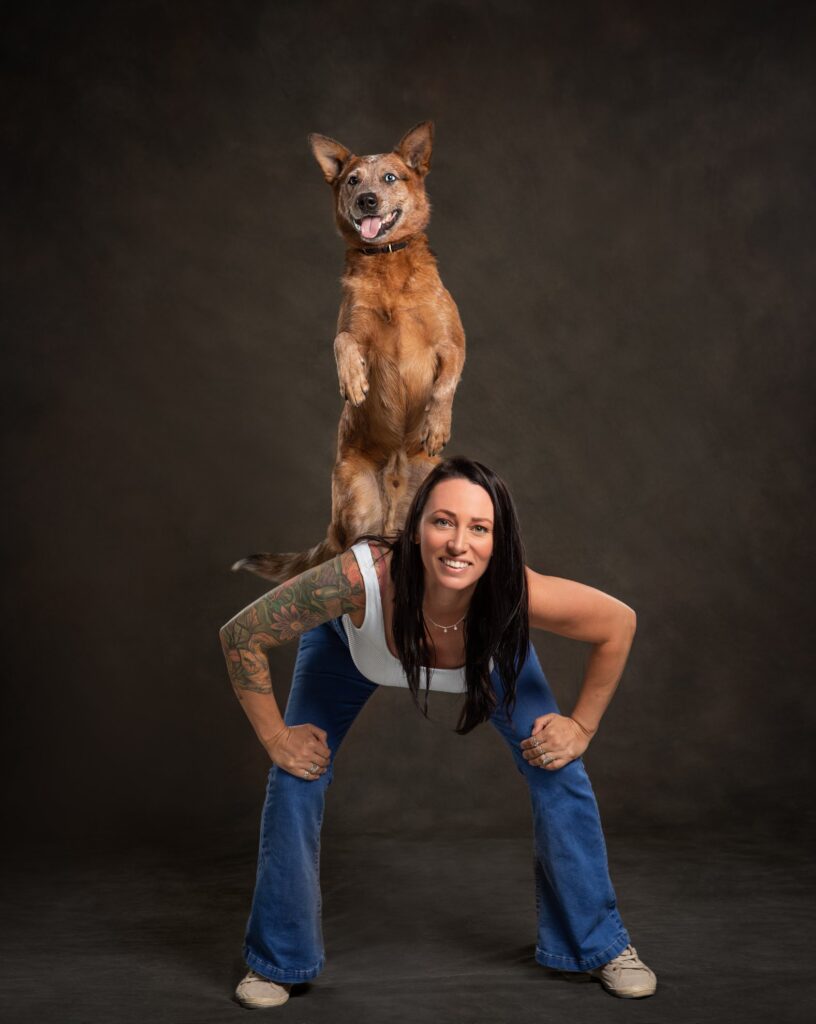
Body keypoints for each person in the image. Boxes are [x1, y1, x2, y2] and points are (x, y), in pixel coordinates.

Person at [219, 456, 657, 1008]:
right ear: (416, 527)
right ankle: (277, 961)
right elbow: (242, 636)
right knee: (295, 777)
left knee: (559, 767)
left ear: (498, 541)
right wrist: (276, 739)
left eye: (479, 528)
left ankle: (599, 947)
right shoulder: (360, 578)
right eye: (443, 522)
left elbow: (619, 623)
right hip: (351, 650)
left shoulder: (514, 591)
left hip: (489, 658)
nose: (459, 544)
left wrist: (582, 725)